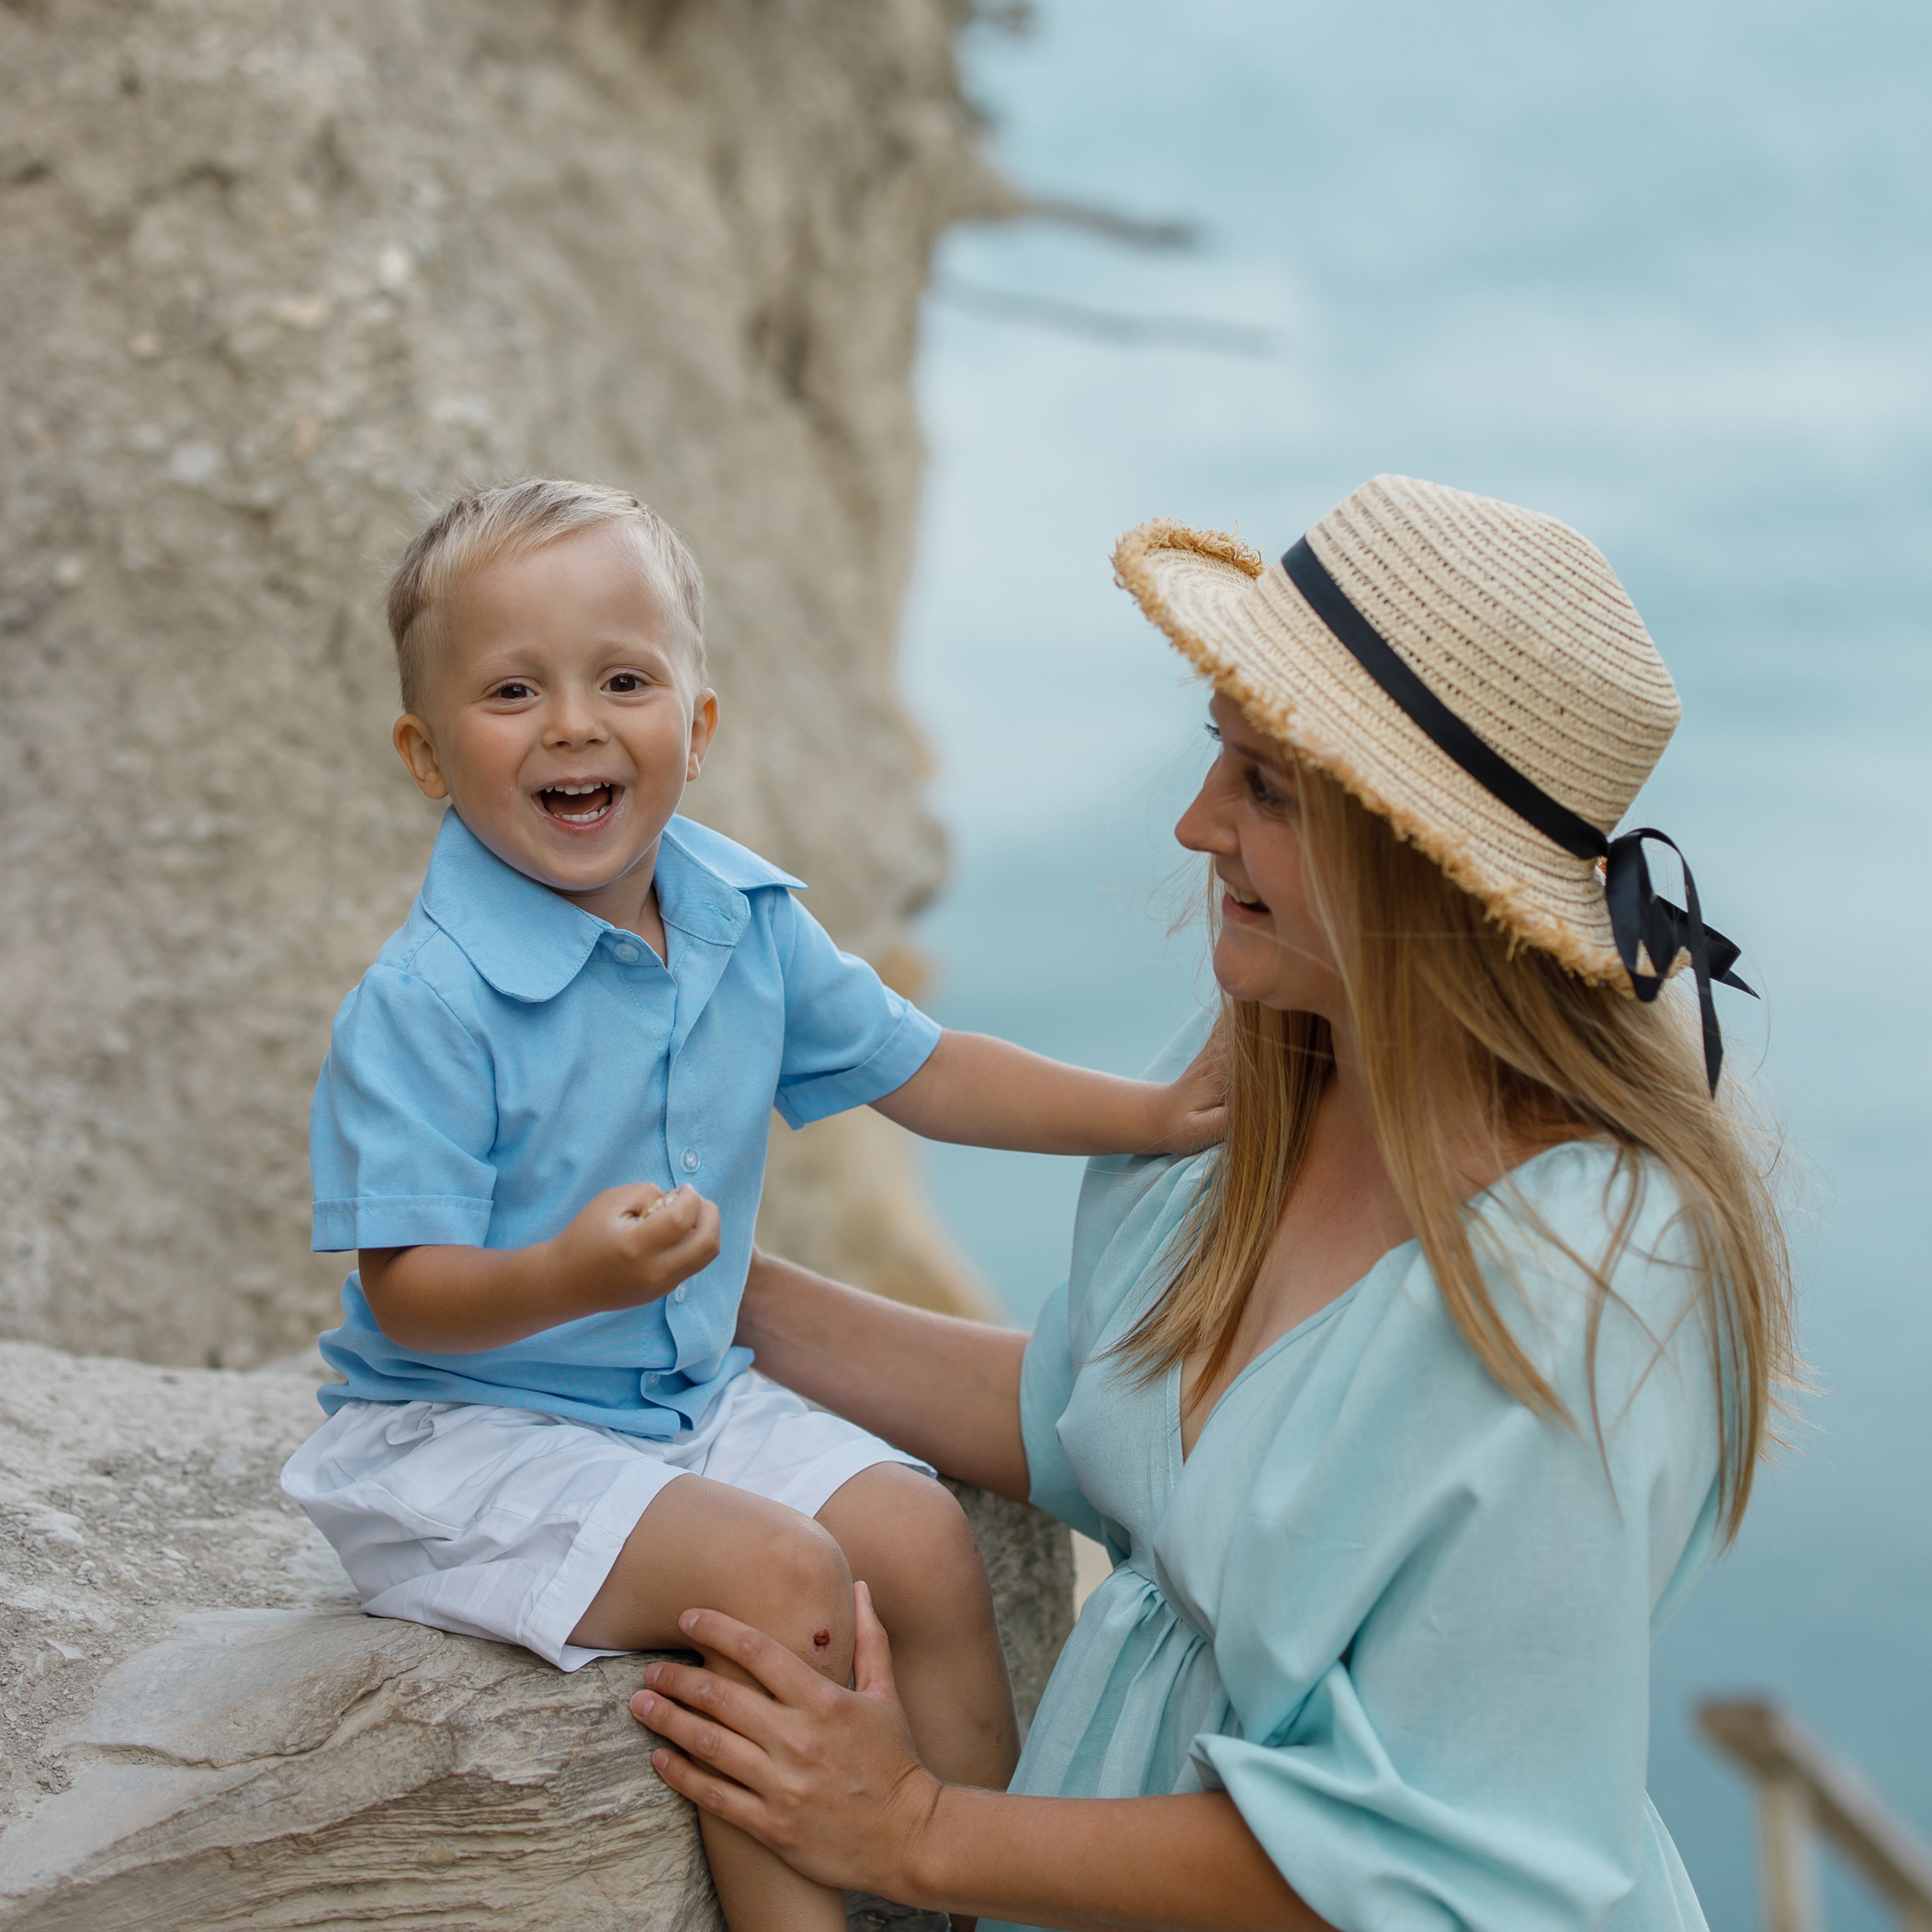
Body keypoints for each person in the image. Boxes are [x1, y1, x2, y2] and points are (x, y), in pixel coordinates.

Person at [626, 474, 1794, 1932]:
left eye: (1265, 789)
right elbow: (1102, 1415)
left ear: (1407, 857)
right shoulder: (1264, 1093)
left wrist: (916, 1832)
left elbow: (1447, 1867)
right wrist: (712, 1290)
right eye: (1215, 758)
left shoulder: (1574, 1291)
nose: (1194, 825)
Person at [279, 478, 1226, 1932]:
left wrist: (1151, 1115)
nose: (575, 724)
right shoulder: (425, 1004)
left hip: (675, 1400)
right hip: (462, 1439)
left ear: (698, 728)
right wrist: (573, 1276)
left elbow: (927, 1073)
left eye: (625, 680)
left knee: (917, 1542)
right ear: (425, 753)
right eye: (512, 690)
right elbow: (407, 1291)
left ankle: (982, 1901)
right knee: (781, 1578)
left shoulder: (738, 916)